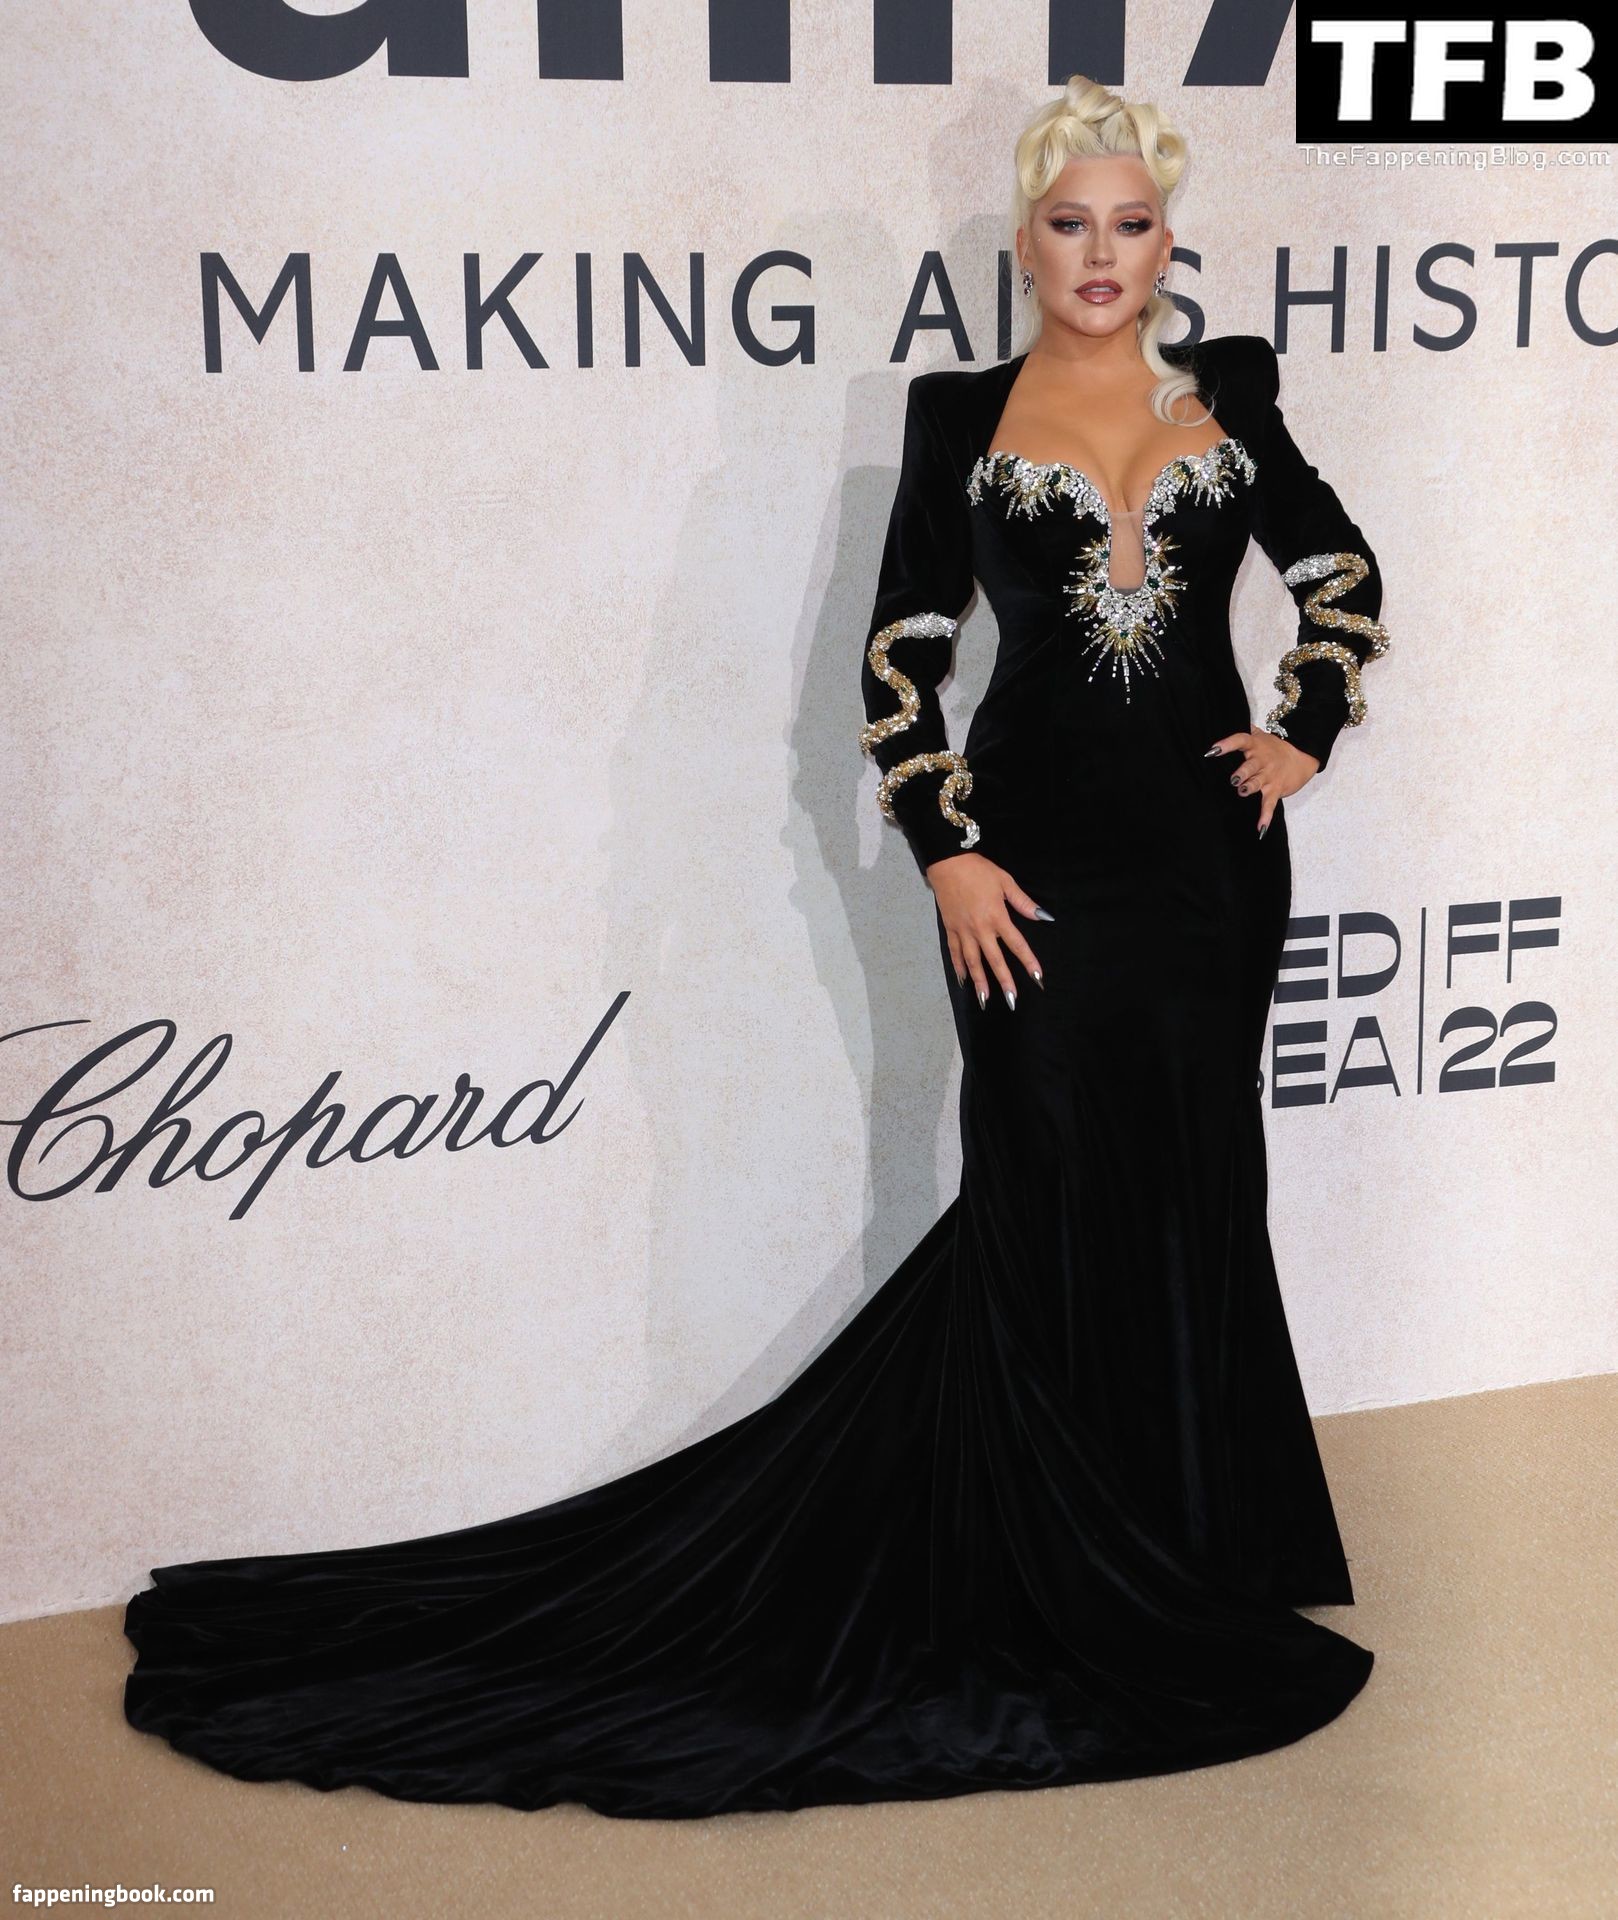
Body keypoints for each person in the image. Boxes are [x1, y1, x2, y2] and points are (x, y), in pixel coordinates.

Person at [121, 75, 1387, 1819]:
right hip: (1024, 866)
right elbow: (900, 651)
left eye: (1132, 222)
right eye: (1067, 223)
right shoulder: (958, 414)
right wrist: (946, 852)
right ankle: (1045, 1556)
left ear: (1168, 239)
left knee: (1194, 1169)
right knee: (1038, 1174)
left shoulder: (1229, 394)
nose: (1100, 253)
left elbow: (1337, 570)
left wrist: (1301, 726)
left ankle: (1191, 1541)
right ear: (1022, 243)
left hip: (1204, 866)